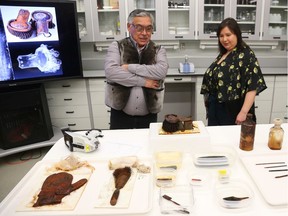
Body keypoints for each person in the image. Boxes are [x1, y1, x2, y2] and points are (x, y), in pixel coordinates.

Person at [104, 9, 169, 129]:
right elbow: (111, 72)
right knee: (120, 147)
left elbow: (161, 72)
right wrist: (144, 82)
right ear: (129, 27)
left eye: (149, 28)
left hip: (149, 115)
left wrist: (129, 67)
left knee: (147, 146)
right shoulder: (117, 46)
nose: (144, 33)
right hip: (120, 114)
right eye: (139, 28)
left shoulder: (158, 49)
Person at [200, 17, 267, 126]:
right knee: (216, 140)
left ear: (237, 34)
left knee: (229, 141)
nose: (224, 39)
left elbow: (252, 86)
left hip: (232, 111)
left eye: (228, 35)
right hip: (216, 109)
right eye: (221, 36)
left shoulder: (246, 54)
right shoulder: (224, 54)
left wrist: (243, 112)